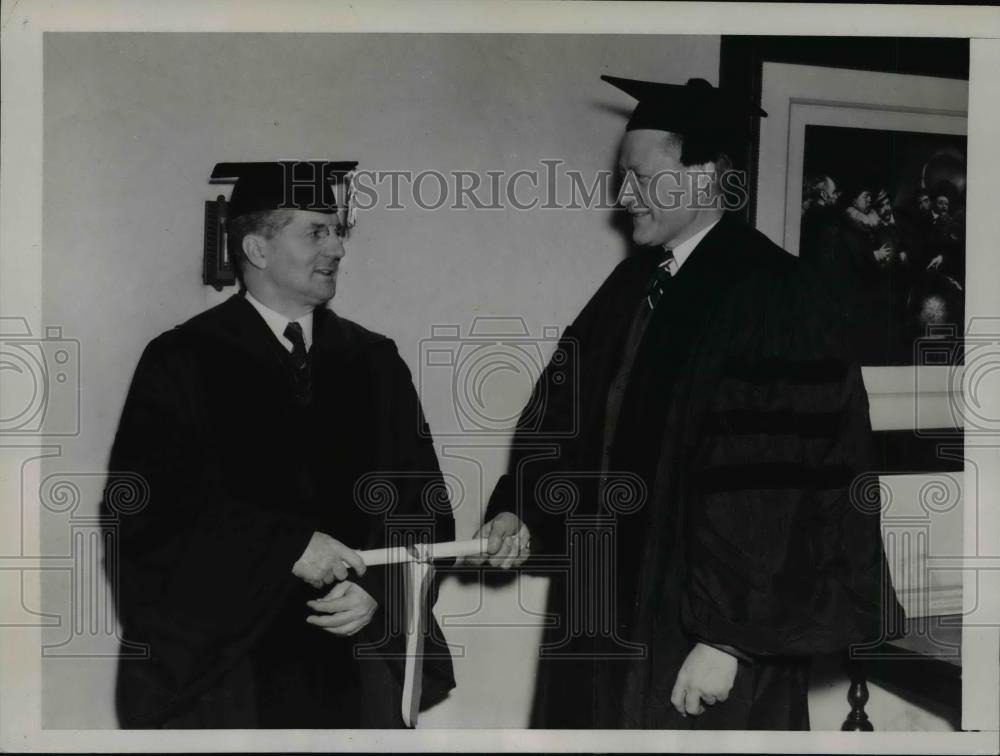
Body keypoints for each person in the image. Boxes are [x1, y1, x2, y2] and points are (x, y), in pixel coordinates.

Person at [470, 77, 904, 729]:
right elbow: (570, 418)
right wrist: (523, 510)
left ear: (703, 177)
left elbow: (775, 491)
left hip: (704, 632)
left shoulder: (772, 294)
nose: (623, 196)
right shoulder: (635, 284)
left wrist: (730, 639)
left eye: (640, 176)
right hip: (606, 611)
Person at [103, 160, 455, 728]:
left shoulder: (373, 360)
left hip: (353, 651)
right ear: (257, 249)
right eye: (316, 231)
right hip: (232, 668)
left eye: (339, 231)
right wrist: (287, 544)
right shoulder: (184, 359)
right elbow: (148, 514)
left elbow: (422, 502)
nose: (337, 248)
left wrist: (381, 592)